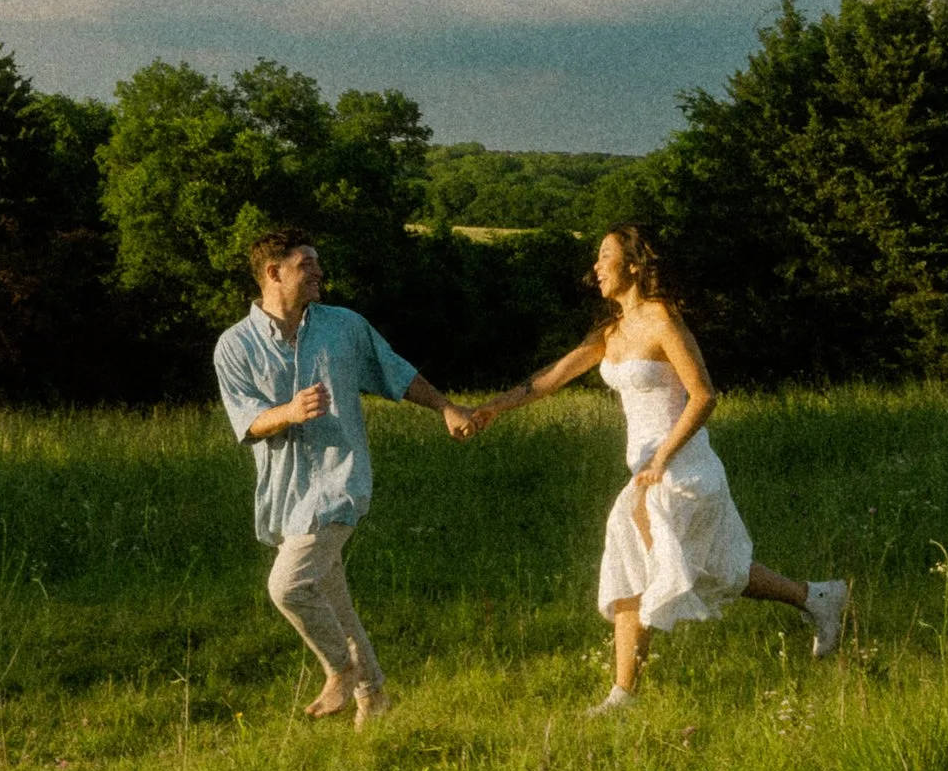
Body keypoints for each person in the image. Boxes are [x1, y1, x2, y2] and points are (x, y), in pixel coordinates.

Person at [471, 227, 850, 711]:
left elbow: (705, 395)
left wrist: (661, 458)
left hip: (682, 467)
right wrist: (490, 410)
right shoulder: (610, 332)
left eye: (605, 256)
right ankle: (817, 597)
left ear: (633, 264)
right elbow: (550, 379)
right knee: (715, 569)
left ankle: (623, 698)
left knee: (646, 565)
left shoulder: (660, 318)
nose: (596, 266)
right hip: (649, 471)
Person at [211, 228, 475, 728]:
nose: (319, 273)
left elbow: (394, 371)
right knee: (332, 598)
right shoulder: (234, 346)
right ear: (274, 272)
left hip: (340, 482)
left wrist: (444, 406)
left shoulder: (345, 326)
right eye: (307, 264)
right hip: (285, 492)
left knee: (288, 587)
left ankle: (340, 670)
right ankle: (374, 700)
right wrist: (288, 411)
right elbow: (246, 421)